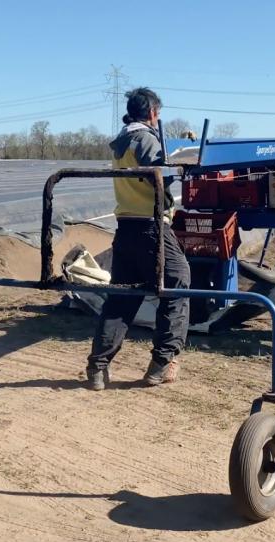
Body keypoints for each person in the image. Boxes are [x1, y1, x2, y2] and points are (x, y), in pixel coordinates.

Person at [85, 87, 191, 391]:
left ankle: (97, 367)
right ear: (154, 113)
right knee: (177, 283)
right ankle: (163, 362)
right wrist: (186, 163)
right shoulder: (145, 137)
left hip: (126, 227)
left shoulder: (122, 140)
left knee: (122, 297)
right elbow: (159, 172)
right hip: (151, 226)